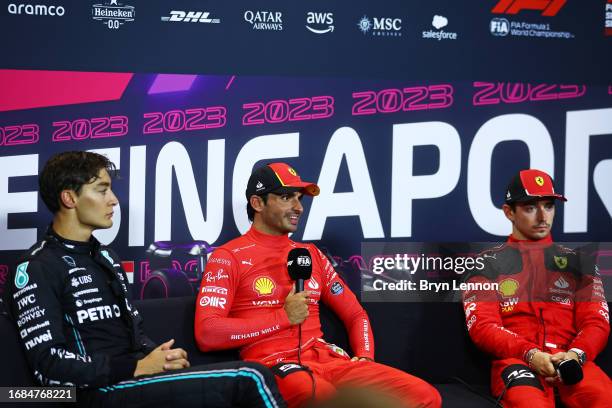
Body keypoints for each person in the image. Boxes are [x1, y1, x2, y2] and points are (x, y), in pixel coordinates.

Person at [6, 151, 285, 408]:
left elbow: (134, 335)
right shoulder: (36, 267)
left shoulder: (106, 257)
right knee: (251, 377)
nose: (113, 199)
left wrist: (161, 358)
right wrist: (136, 368)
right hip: (91, 393)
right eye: (102, 190)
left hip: (129, 381)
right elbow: (48, 367)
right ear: (69, 198)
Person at [194, 162, 441, 408]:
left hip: (331, 361)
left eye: (299, 198)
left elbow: (356, 314)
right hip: (274, 365)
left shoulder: (312, 255)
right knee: (321, 398)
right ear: (258, 203)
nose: (298, 207)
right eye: (286, 197)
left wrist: (365, 357)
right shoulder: (228, 256)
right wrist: (283, 317)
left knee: (425, 396)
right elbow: (207, 333)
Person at [462, 169, 611, 407]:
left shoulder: (580, 263)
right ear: (509, 212)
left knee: (605, 399)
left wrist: (575, 354)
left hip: (571, 361)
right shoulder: (485, 264)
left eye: (549, 206)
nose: (543, 217)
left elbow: (596, 322)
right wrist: (531, 355)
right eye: (530, 207)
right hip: (518, 361)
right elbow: (483, 326)